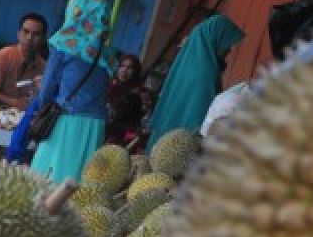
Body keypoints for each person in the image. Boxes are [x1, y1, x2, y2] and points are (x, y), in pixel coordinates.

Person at [29, 0, 111, 185]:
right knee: (79, 184)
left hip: (67, 121)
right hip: (96, 125)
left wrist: (42, 110)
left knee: (45, 180)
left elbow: (47, 86)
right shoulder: (106, 52)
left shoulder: (65, 44)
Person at [145, 14, 244, 154]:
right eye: (226, 44)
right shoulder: (205, 72)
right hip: (178, 150)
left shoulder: (188, 60)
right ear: (214, 40)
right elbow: (199, 119)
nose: (229, 50)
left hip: (162, 142)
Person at [0, 12, 48, 110]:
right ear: (18, 34)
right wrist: (14, 102)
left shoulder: (44, 68)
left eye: (36, 34)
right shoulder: (4, 56)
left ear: (43, 39)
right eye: (26, 32)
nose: (29, 38)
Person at [104, 52, 153, 148]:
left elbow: (136, 122)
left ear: (135, 72)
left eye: (129, 68)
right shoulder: (110, 87)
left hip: (120, 141)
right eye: (122, 66)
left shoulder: (137, 95)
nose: (124, 70)